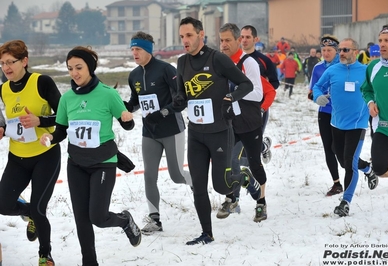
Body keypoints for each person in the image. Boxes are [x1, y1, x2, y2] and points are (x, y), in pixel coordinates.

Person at [39, 46, 141, 266]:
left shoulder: (108, 93)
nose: (74, 73)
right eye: (70, 69)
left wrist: (126, 118)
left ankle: (124, 220)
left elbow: (128, 125)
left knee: (98, 217)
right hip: (76, 164)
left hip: (103, 163)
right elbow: (61, 130)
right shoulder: (67, 98)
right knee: (81, 220)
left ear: (90, 67)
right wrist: (50, 138)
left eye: (79, 67)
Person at [174, 16, 257, 245]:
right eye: (182, 36)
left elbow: (246, 84)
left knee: (221, 186)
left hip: (220, 131)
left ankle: (244, 176)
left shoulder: (217, 58)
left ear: (201, 35)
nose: (185, 41)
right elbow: (181, 92)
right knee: (198, 187)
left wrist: (231, 97)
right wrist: (179, 100)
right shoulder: (181, 62)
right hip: (196, 134)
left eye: (189, 35)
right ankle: (207, 234)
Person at [0, 39, 61, 265]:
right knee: (3, 204)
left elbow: (65, 114)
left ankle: (45, 254)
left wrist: (40, 120)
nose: (6, 67)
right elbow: (3, 115)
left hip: (45, 155)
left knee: (39, 207)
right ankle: (29, 213)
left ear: (24, 61)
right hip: (17, 157)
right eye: (2, 63)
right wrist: (2, 127)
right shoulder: (3, 88)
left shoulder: (41, 82)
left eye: (11, 62)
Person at [126, 31, 192, 234]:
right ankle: (155, 219)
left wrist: (163, 112)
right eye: (132, 49)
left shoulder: (165, 69)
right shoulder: (134, 75)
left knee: (176, 175)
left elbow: (182, 98)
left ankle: (196, 183)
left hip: (172, 129)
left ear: (147, 50)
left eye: (137, 49)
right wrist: (125, 107)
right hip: (150, 132)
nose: (134, 53)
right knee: (149, 176)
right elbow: (136, 102)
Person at [312, 38, 377, 217]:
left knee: (349, 162)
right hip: (336, 123)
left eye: (346, 50)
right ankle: (368, 169)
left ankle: (345, 202)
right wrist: (318, 97)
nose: (341, 53)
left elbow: (378, 89)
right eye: (340, 50)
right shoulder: (332, 70)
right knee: (342, 159)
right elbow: (317, 87)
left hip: (358, 124)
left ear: (355, 52)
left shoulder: (366, 71)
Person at [216, 22, 268, 223]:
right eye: (221, 40)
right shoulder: (218, 62)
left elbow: (257, 94)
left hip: (249, 122)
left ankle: (261, 202)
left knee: (254, 163)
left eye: (228, 40)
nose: (224, 45)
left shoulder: (249, 62)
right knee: (227, 161)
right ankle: (231, 198)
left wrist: (233, 95)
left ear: (238, 40)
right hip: (228, 122)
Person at [361, 24, 388, 203]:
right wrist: (370, 104)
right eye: (380, 41)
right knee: (378, 167)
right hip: (383, 127)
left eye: (387, 41)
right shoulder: (373, 67)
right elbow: (366, 89)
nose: (382, 44)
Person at [308, 35, 341, 196]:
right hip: (325, 113)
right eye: (323, 50)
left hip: (342, 113)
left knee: (340, 149)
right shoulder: (318, 68)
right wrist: (317, 97)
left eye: (330, 50)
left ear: (337, 51)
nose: (326, 53)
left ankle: (365, 168)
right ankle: (337, 183)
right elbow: (312, 90)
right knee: (328, 149)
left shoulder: (344, 66)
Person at [240, 24, 279, 161]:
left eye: (248, 37)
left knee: (252, 144)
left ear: (255, 39)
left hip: (259, 107)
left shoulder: (264, 60)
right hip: (239, 108)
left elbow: (275, 84)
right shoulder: (234, 59)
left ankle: (261, 149)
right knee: (241, 144)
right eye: (242, 37)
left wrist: (262, 86)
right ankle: (263, 146)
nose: (244, 40)